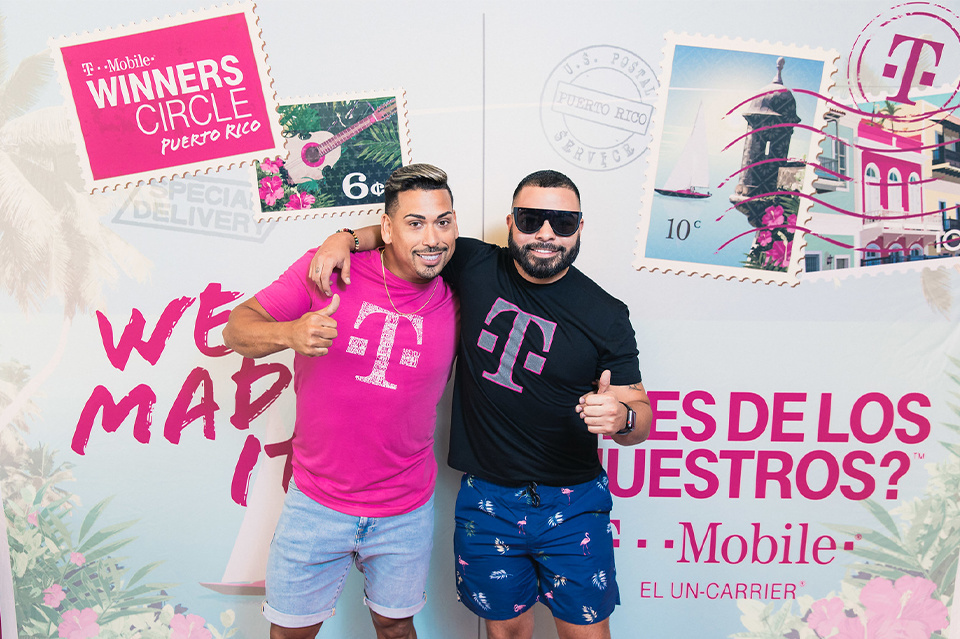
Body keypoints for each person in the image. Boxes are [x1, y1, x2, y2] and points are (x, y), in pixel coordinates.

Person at [312, 169, 652, 639]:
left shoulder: (607, 313)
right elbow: (406, 236)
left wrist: (624, 416)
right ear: (512, 223)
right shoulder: (470, 260)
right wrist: (344, 238)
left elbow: (639, 416)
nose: (547, 233)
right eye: (533, 219)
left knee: (586, 633)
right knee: (506, 631)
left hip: (573, 501)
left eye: (563, 222)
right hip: (488, 498)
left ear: (579, 228)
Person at [222, 163, 459, 639]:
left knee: (396, 627)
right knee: (289, 632)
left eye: (444, 221)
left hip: (404, 506)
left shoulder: (462, 283)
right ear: (388, 229)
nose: (432, 238)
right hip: (317, 502)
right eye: (415, 223)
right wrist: (290, 332)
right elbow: (236, 329)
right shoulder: (330, 269)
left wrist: (350, 233)